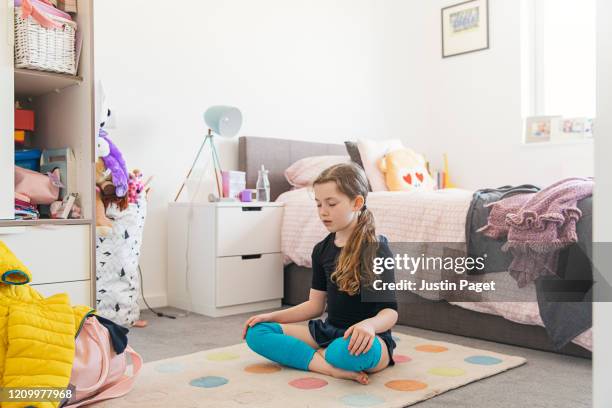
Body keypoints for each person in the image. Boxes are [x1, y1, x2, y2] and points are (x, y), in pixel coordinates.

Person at [242, 162, 398, 385]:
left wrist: (369, 326)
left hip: (369, 338)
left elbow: (389, 312)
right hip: (328, 332)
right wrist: (271, 316)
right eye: (318, 204)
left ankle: (320, 358)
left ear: (357, 203)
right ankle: (328, 368)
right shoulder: (321, 250)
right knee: (256, 333)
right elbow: (314, 306)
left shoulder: (377, 248)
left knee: (340, 352)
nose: (323, 211)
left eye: (331, 204)